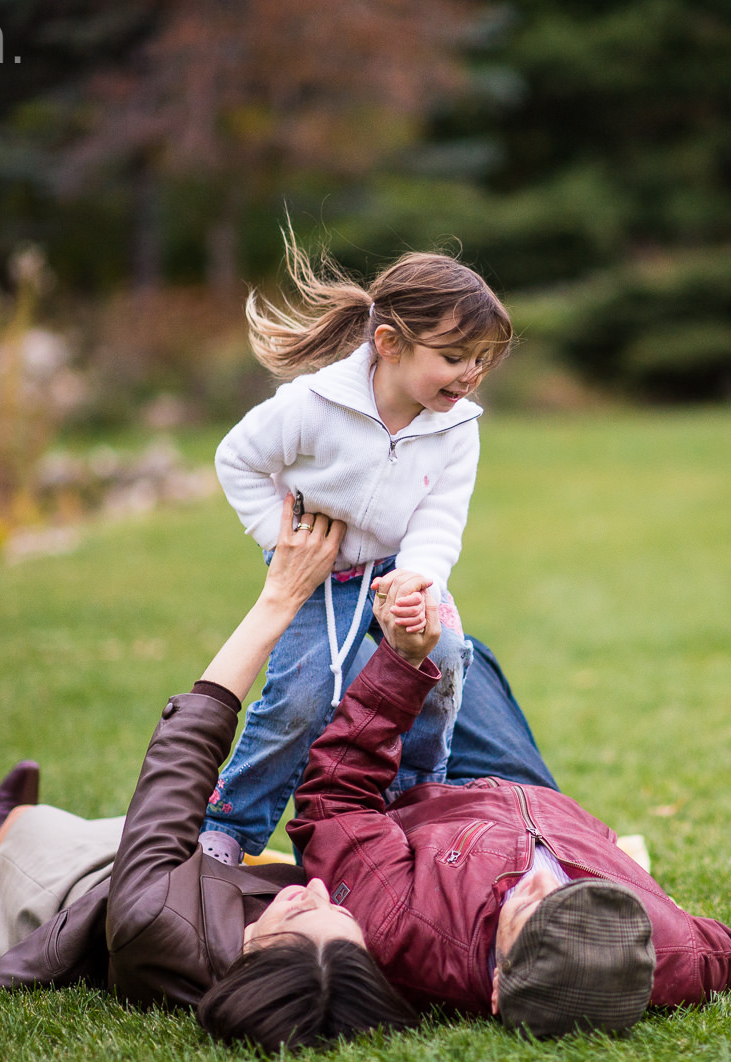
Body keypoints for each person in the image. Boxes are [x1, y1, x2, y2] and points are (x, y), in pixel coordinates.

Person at [0, 500, 550, 1051]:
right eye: (340, 922)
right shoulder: (327, 952)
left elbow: (178, 766)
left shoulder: (153, 921)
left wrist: (281, 598)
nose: (321, 894)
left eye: (302, 914)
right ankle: (1, 834)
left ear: (251, 963)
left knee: (33, 833)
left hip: (96, 883)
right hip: (217, 869)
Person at [285, 567, 731, 1038]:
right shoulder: (670, 950)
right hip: (529, 792)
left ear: (498, 989)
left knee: (383, 647)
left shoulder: (407, 928)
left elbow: (334, 803)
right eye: (575, 890)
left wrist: (400, 666)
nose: (536, 880)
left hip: (424, 802)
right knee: (471, 654)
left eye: (522, 911)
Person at [201, 237, 513, 867]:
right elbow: (235, 458)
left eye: (480, 360)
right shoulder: (313, 406)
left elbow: (441, 514)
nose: (470, 374)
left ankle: (416, 804)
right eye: (454, 356)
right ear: (390, 344)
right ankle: (230, 831)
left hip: (402, 568)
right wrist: (278, 539)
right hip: (318, 569)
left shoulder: (457, 426)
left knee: (444, 660)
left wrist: (419, 580)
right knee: (304, 698)